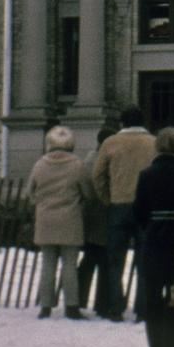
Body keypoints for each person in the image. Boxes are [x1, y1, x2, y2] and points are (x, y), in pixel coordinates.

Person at [92, 105, 155, 321]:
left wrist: (107, 198)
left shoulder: (110, 143)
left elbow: (98, 176)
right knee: (144, 260)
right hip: (145, 207)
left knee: (115, 260)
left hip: (118, 205)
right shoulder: (153, 143)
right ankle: (143, 308)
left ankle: (115, 306)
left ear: (122, 123)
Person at [25, 124, 92, 320]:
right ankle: (71, 307)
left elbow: (30, 192)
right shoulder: (77, 165)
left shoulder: (39, 165)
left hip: (45, 220)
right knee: (69, 265)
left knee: (48, 264)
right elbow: (88, 193)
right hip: (70, 220)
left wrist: (41, 203)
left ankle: (45, 307)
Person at [133, 125, 174, 347]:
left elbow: (139, 210)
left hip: (154, 235)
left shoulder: (146, 174)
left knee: (152, 292)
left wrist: (149, 225)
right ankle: (173, 343)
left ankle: (156, 345)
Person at [77, 124, 116, 318]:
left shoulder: (88, 158)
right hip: (103, 212)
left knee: (90, 259)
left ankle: (79, 298)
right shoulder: (104, 159)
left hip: (90, 214)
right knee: (103, 260)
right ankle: (102, 303)